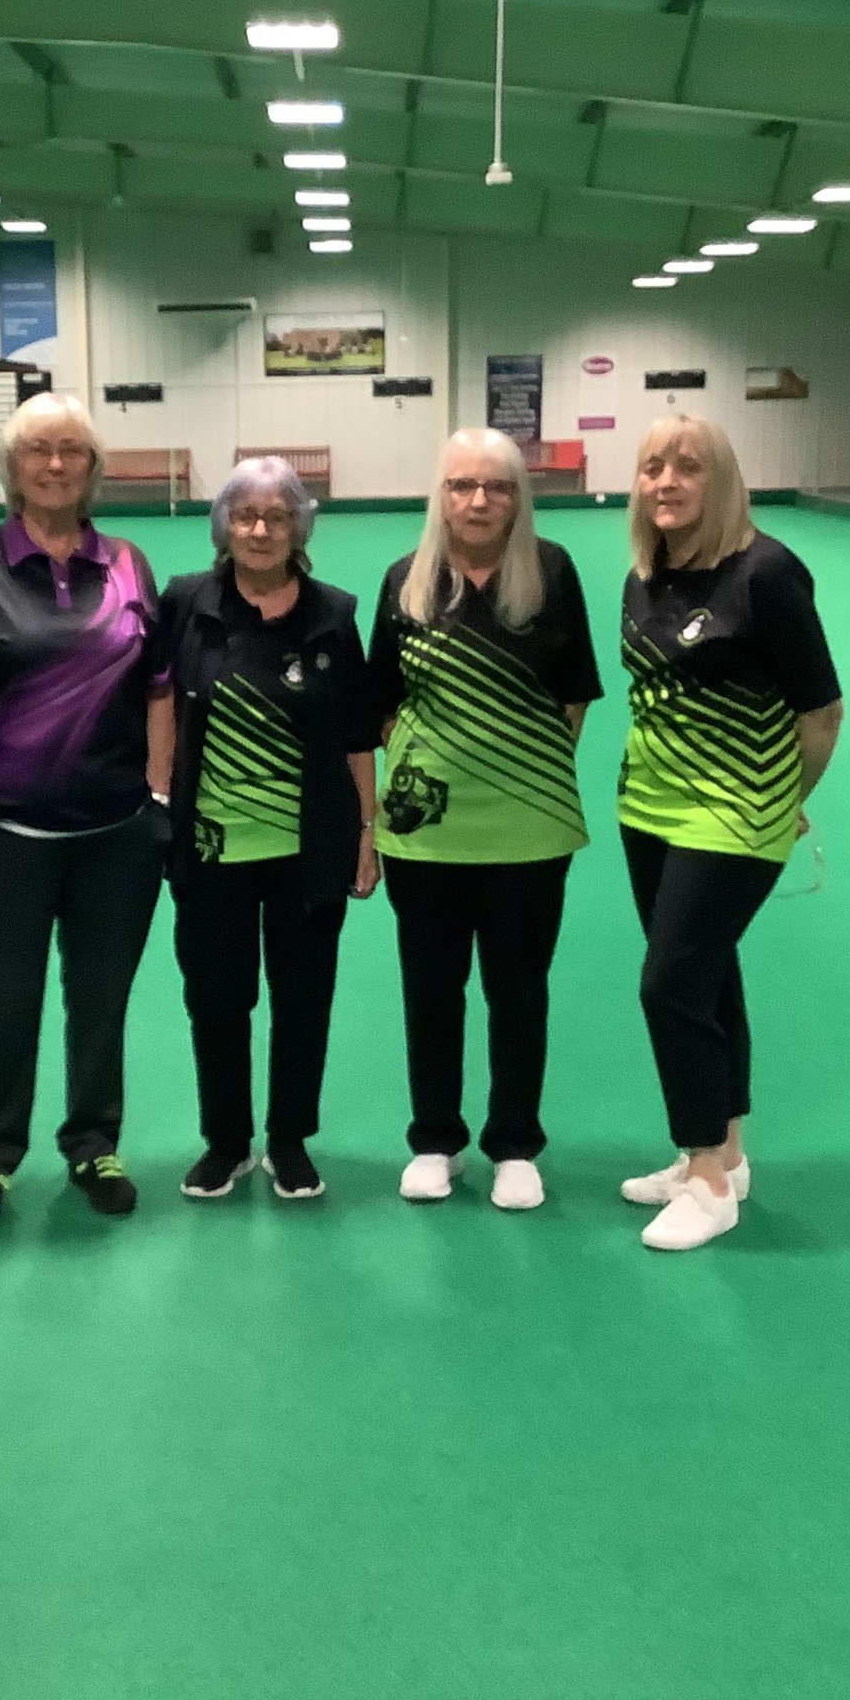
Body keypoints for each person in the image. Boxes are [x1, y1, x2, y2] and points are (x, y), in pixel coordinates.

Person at [0, 392, 173, 1230]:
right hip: (3, 830)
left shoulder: (131, 563)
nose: (56, 464)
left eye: (73, 451)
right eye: (39, 451)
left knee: (100, 998)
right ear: (12, 469)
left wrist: (160, 798)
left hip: (116, 835)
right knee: (4, 1000)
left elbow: (161, 690)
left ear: (94, 469)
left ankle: (94, 1140)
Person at [616, 414, 842, 1252]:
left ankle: (709, 1186)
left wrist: (783, 800)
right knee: (708, 976)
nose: (667, 481)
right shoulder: (646, 573)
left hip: (734, 815)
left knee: (668, 984)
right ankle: (721, 1154)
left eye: (687, 467)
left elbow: (822, 713)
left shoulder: (769, 574)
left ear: (723, 479)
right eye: (652, 467)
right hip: (649, 807)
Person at [368, 427, 603, 1211]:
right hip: (424, 832)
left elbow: (574, 693)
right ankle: (435, 1139)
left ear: (518, 497)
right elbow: (383, 705)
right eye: (463, 486)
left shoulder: (554, 573)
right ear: (440, 496)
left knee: (518, 987)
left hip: (529, 834)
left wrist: (523, 779)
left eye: (497, 487)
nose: (479, 501)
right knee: (431, 989)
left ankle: (514, 1144)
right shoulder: (406, 580)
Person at [162, 458, 380, 1203]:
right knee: (217, 998)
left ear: (299, 526)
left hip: (308, 849)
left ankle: (288, 1140)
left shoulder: (334, 615)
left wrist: (366, 833)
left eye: (276, 516)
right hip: (212, 848)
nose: (259, 529)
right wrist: (158, 801)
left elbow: (358, 736)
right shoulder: (186, 603)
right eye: (245, 515)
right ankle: (225, 1141)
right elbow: (157, 704)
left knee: (302, 998)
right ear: (224, 524)